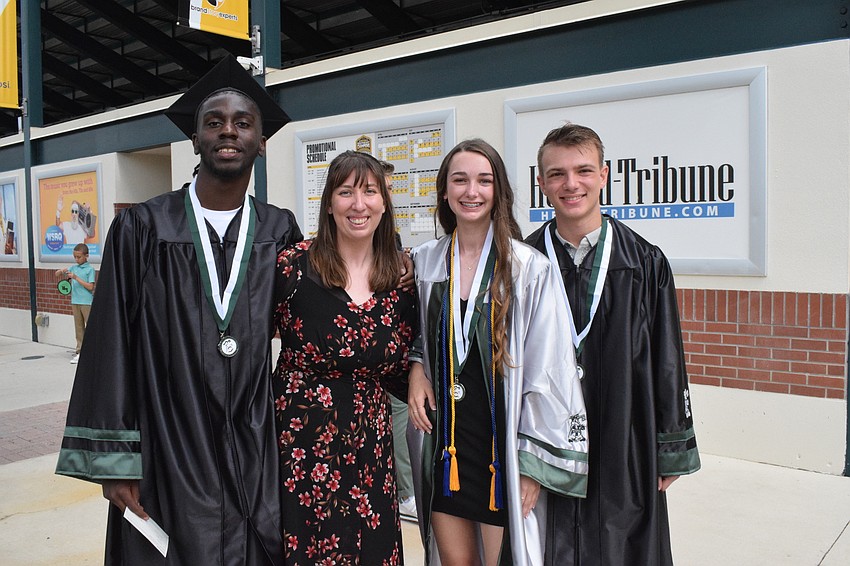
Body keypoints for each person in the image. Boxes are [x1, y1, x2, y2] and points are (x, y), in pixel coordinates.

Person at [55, 55, 303, 565]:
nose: (228, 132)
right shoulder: (144, 228)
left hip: (256, 442)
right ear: (195, 139)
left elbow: (315, 327)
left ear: (261, 139)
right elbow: (110, 341)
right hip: (169, 435)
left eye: (242, 123)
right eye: (213, 123)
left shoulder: (279, 231)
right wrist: (116, 460)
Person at [524, 123, 701, 566]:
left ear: (604, 175)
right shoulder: (523, 262)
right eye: (557, 173)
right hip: (549, 438)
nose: (571, 184)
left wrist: (671, 447)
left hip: (626, 429)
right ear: (542, 183)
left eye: (583, 170)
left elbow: (667, 357)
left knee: (623, 540)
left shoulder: (643, 261)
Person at [407, 139, 588, 566]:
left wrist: (531, 464)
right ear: (445, 191)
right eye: (460, 180)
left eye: (484, 181)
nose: (472, 191)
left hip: (499, 451)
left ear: (498, 191)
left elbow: (551, 370)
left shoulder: (528, 268)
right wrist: (417, 368)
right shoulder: (425, 262)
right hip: (445, 444)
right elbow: (412, 334)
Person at [274, 150, 418, 564]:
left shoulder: (401, 279)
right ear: (329, 203)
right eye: (346, 192)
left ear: (384, 202)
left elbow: (412, 358)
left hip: (370, 448)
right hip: (299, 446)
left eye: (370, 191)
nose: (359, 204)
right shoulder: (293, 266)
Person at [379, 158, 418, 522]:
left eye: (391, 188)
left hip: (398, 348)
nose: (390, 194)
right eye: (384, 187)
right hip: (373, 350)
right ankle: (406, 493)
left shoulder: (392, 234)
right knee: (400, 417)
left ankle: (403, 489)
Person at [54, 243, 95, 364]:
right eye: (75, 257)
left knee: (90, 327)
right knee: (79, 328)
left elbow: (90, 287)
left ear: (86, 256)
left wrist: (76, 278)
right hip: (75, 301)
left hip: (86, 302)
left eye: (79, 257)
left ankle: (93, 351)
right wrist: (62, 271)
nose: (76, 259)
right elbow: (56, 274)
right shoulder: (73, 267)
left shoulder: (89, 269)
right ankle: (80, 352)